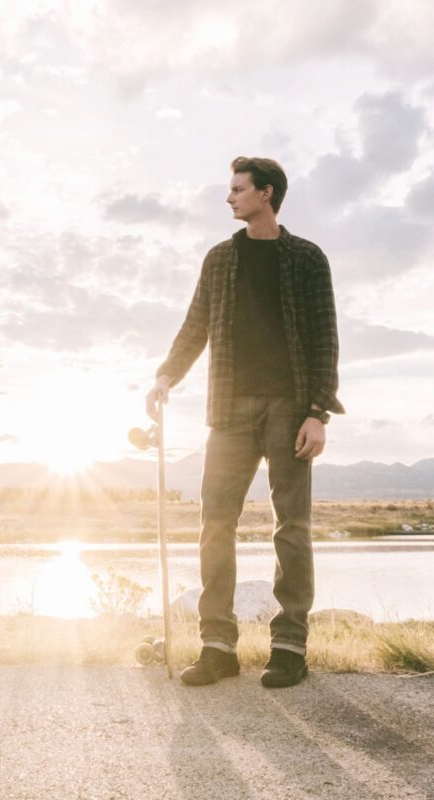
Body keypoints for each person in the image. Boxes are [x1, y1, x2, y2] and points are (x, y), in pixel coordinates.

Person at [146, 156, 344, 688]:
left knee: (292, 527)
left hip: (290, 407)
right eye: (230, 190)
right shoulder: (219, 260)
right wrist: (167, 375)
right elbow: (195, 326)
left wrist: (317, 412)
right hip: (230, 409)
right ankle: (217, 647)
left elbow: (326, 340)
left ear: (267, 193)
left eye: (237, 189)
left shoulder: (306, 258)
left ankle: (288, 647)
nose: (229, 198)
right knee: (215, 525)